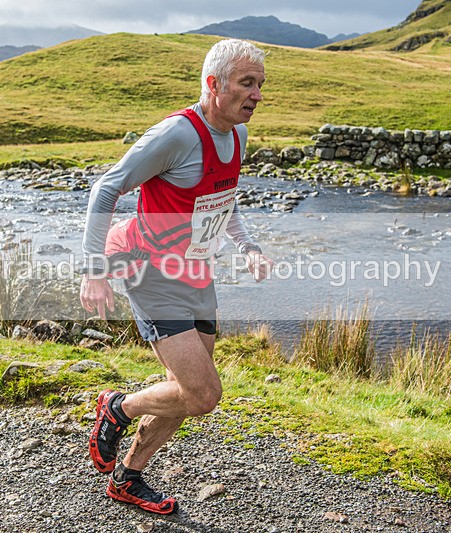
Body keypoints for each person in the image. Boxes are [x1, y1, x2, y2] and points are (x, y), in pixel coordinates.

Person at [79, 39, 273, 515]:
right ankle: (118, 408)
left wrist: (248, 246)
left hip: (197, 272)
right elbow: (106, 188)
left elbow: (222, 199)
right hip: (152, 272)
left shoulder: (238, 135)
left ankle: (128, 477)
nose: (257, 95)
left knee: (183, 391)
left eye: (260, 85)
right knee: (203, 394)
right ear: (214, 84)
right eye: (247, 83)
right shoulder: (177, 135)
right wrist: (94, 268)